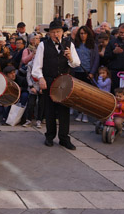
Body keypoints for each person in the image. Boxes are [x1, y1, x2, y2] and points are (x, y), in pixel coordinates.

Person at [32, 20, 81, 150]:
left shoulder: (69, 44)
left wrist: (70, 58)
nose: (55, 34)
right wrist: (41, 79)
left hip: (64, 81)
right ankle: (49, 136)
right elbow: (36, 67)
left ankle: (64, 138)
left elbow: (76, 63)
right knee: (50, 110)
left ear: (62, 33)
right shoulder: (43, 45)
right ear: (49, 34)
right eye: (53, 32)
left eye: (58, 32)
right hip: (48, 80)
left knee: (64, 110)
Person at [72, 26, 100, 123]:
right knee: (78, 94)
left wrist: (92, 72)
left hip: (88, 72)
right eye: (81, 33)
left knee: (87, 94)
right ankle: (79, 111)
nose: (83, 35)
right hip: (77, 71)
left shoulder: (93, 45)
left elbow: (96, 59)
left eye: (85, 33)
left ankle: (86, 113)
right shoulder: (75, 44)